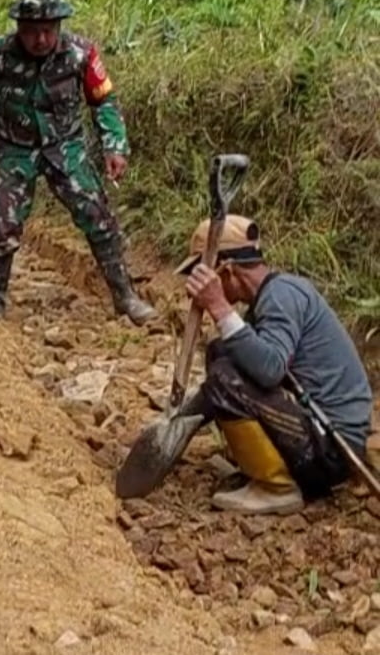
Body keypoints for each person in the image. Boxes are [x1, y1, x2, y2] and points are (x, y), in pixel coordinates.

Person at [0, 0, 155, 325]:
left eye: (48, 31)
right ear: (19, 28)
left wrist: (115, 145)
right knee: (3, 226)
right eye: (32, 31)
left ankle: (125, 296)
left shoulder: (81, 54)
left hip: (65, 147)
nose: (40, 40)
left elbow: (103, 101)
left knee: (98, 218)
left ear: (58, 27)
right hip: (15, 148)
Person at [156, 216, 372, 514]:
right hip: (318, 441)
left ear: (225, 270)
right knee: (224, 352)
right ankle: (261, 467)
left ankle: (276, 487)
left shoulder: (282, 295)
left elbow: (270, 370)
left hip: (330, 450)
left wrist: (219, 306)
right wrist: (177, 425)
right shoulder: (272, 297)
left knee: (225, 376)